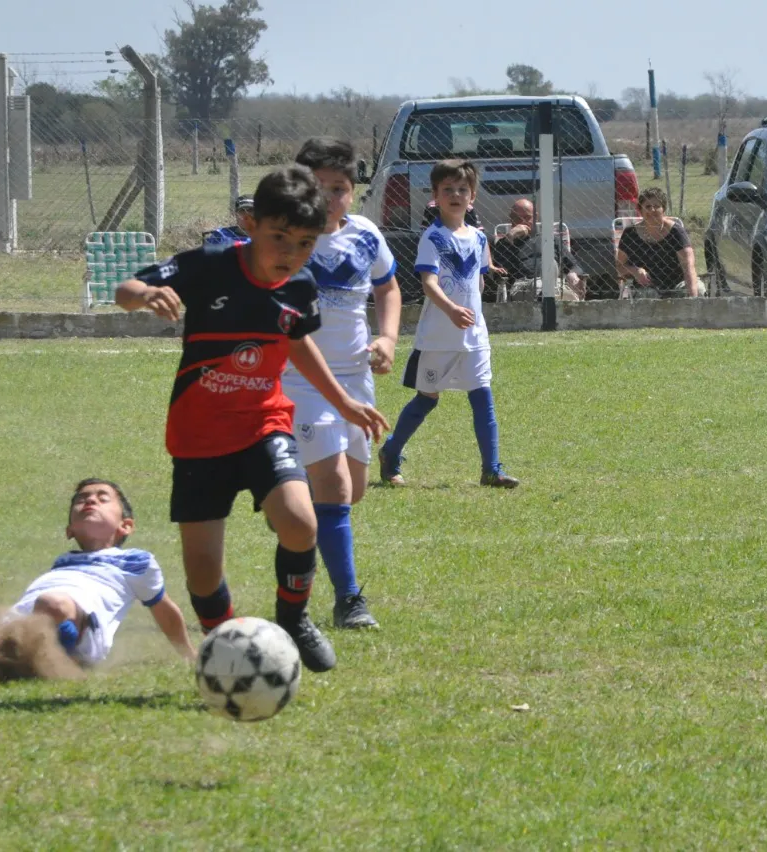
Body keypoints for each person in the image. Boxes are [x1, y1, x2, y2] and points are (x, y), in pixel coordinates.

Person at [113, 165, 390, 674]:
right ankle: (228, 647)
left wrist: (342, 401)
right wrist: (144, 295)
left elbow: (296, 341)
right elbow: (125, 289)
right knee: (202, 574)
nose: (290, 253)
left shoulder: (300, 284)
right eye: (279, 237)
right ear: (251, 225)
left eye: (304, 243)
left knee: (301, 522)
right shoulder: (210, 264)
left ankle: (294, 619)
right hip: (199, 437)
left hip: (265, 422)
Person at [285, 138, 401, 630]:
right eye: (319, 187)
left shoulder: (366, 235)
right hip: (300, 380)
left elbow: (388, 286)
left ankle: (290, 509)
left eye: (339, 188)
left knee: (352, 492)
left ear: (353, 192)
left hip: (356, 378)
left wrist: (387, 338)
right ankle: (349, 600)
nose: (330, 198)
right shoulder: (288, 239)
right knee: (333, 488)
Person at [0, 478, 197, 683]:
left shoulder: (135, 561)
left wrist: (188, 653)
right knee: (1, 618)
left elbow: (163, 609)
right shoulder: (64, 560)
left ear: (125, 526)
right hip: (36, 613)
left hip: (79, 624)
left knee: (53, 604)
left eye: (102, 498)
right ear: (70, 530)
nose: (90, 501)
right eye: (81, 500)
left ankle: (54, 662)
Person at [378, 159, 519, 489]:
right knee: (427, 399)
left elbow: (478, 281)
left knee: (482, 397)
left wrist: (473, 313)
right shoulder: (433, 237)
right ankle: (391, 452)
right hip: (439, 337)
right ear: (435, 196)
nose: (456, 195)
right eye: (448, 189)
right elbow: (429, 283)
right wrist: (453, 310)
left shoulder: (479, 239)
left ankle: (491, 470)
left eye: (462, 190)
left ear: (473, 197)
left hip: (474, 337)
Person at [488, 198, 585, 301]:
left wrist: (573, 276)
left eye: (527, 217)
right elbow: (498, 274)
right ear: (511, 219)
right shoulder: (504, 243)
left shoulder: (551, 239)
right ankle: (547, 295)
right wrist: (510, 237)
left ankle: (547, 293)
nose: (522, 222)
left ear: (536, 217)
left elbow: (574, 265)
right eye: (517, 218)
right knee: (539, 285)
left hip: (556, 285)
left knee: (551, 265)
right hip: (524, 285)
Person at [615, 187, 703, 299]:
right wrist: (635, 271)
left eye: (657, 206)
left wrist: (693, 298)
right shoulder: (630, 234)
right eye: (648, 206)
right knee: (648, 295)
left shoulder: (676, 232)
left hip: (677, 284)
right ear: (640, 210)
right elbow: (619, 266)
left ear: (663, 209)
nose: (652, 210)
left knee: (698, 289)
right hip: (646, 286)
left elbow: (688, 266)